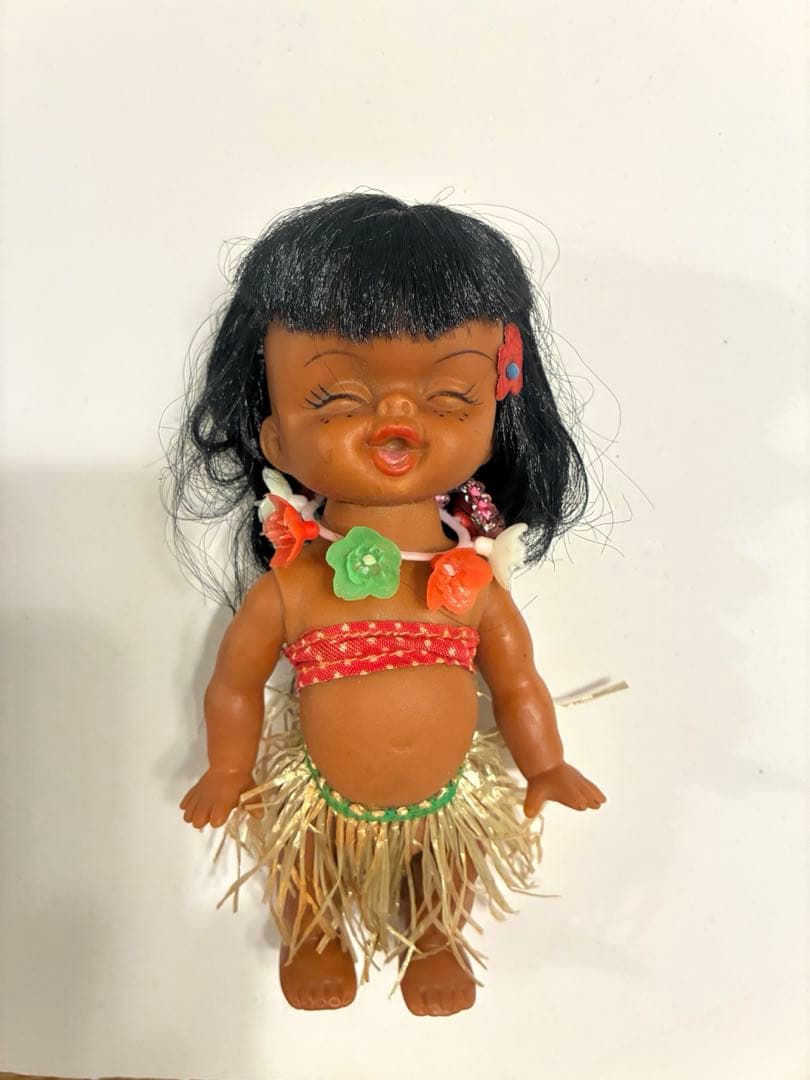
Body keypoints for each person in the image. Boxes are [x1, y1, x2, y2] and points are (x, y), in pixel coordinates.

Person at [168, 192, 606, 1016]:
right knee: (303, 862)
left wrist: (545, 764)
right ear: (275, 437)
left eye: (449, 399)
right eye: (336, 399)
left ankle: (436, 934)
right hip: (319, 794)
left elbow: (517, 681)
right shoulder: (294, 586)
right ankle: (312, 929)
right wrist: (229, 768)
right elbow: (235, 684)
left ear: (494, 419)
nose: (396, 418)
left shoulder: (471, 585)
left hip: (446, 800)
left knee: (448, 868)